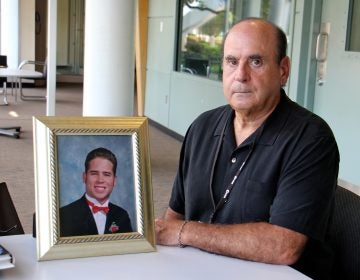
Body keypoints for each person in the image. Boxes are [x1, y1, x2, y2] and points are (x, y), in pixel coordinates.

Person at [155, 18, 339, 279]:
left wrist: (186, 232)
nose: (240, 75)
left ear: (283, 70)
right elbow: (175, 214)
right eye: (231, 61)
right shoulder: (202, 126)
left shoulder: (311, 138)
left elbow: (283, 246)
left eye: (256, 61)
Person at [60, 147, 133, 237]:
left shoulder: (122, 216)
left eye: (106, 174)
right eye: (94, 173)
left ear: (114, 180)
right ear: (84, 177)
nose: (100, 180)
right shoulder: (64, 215)